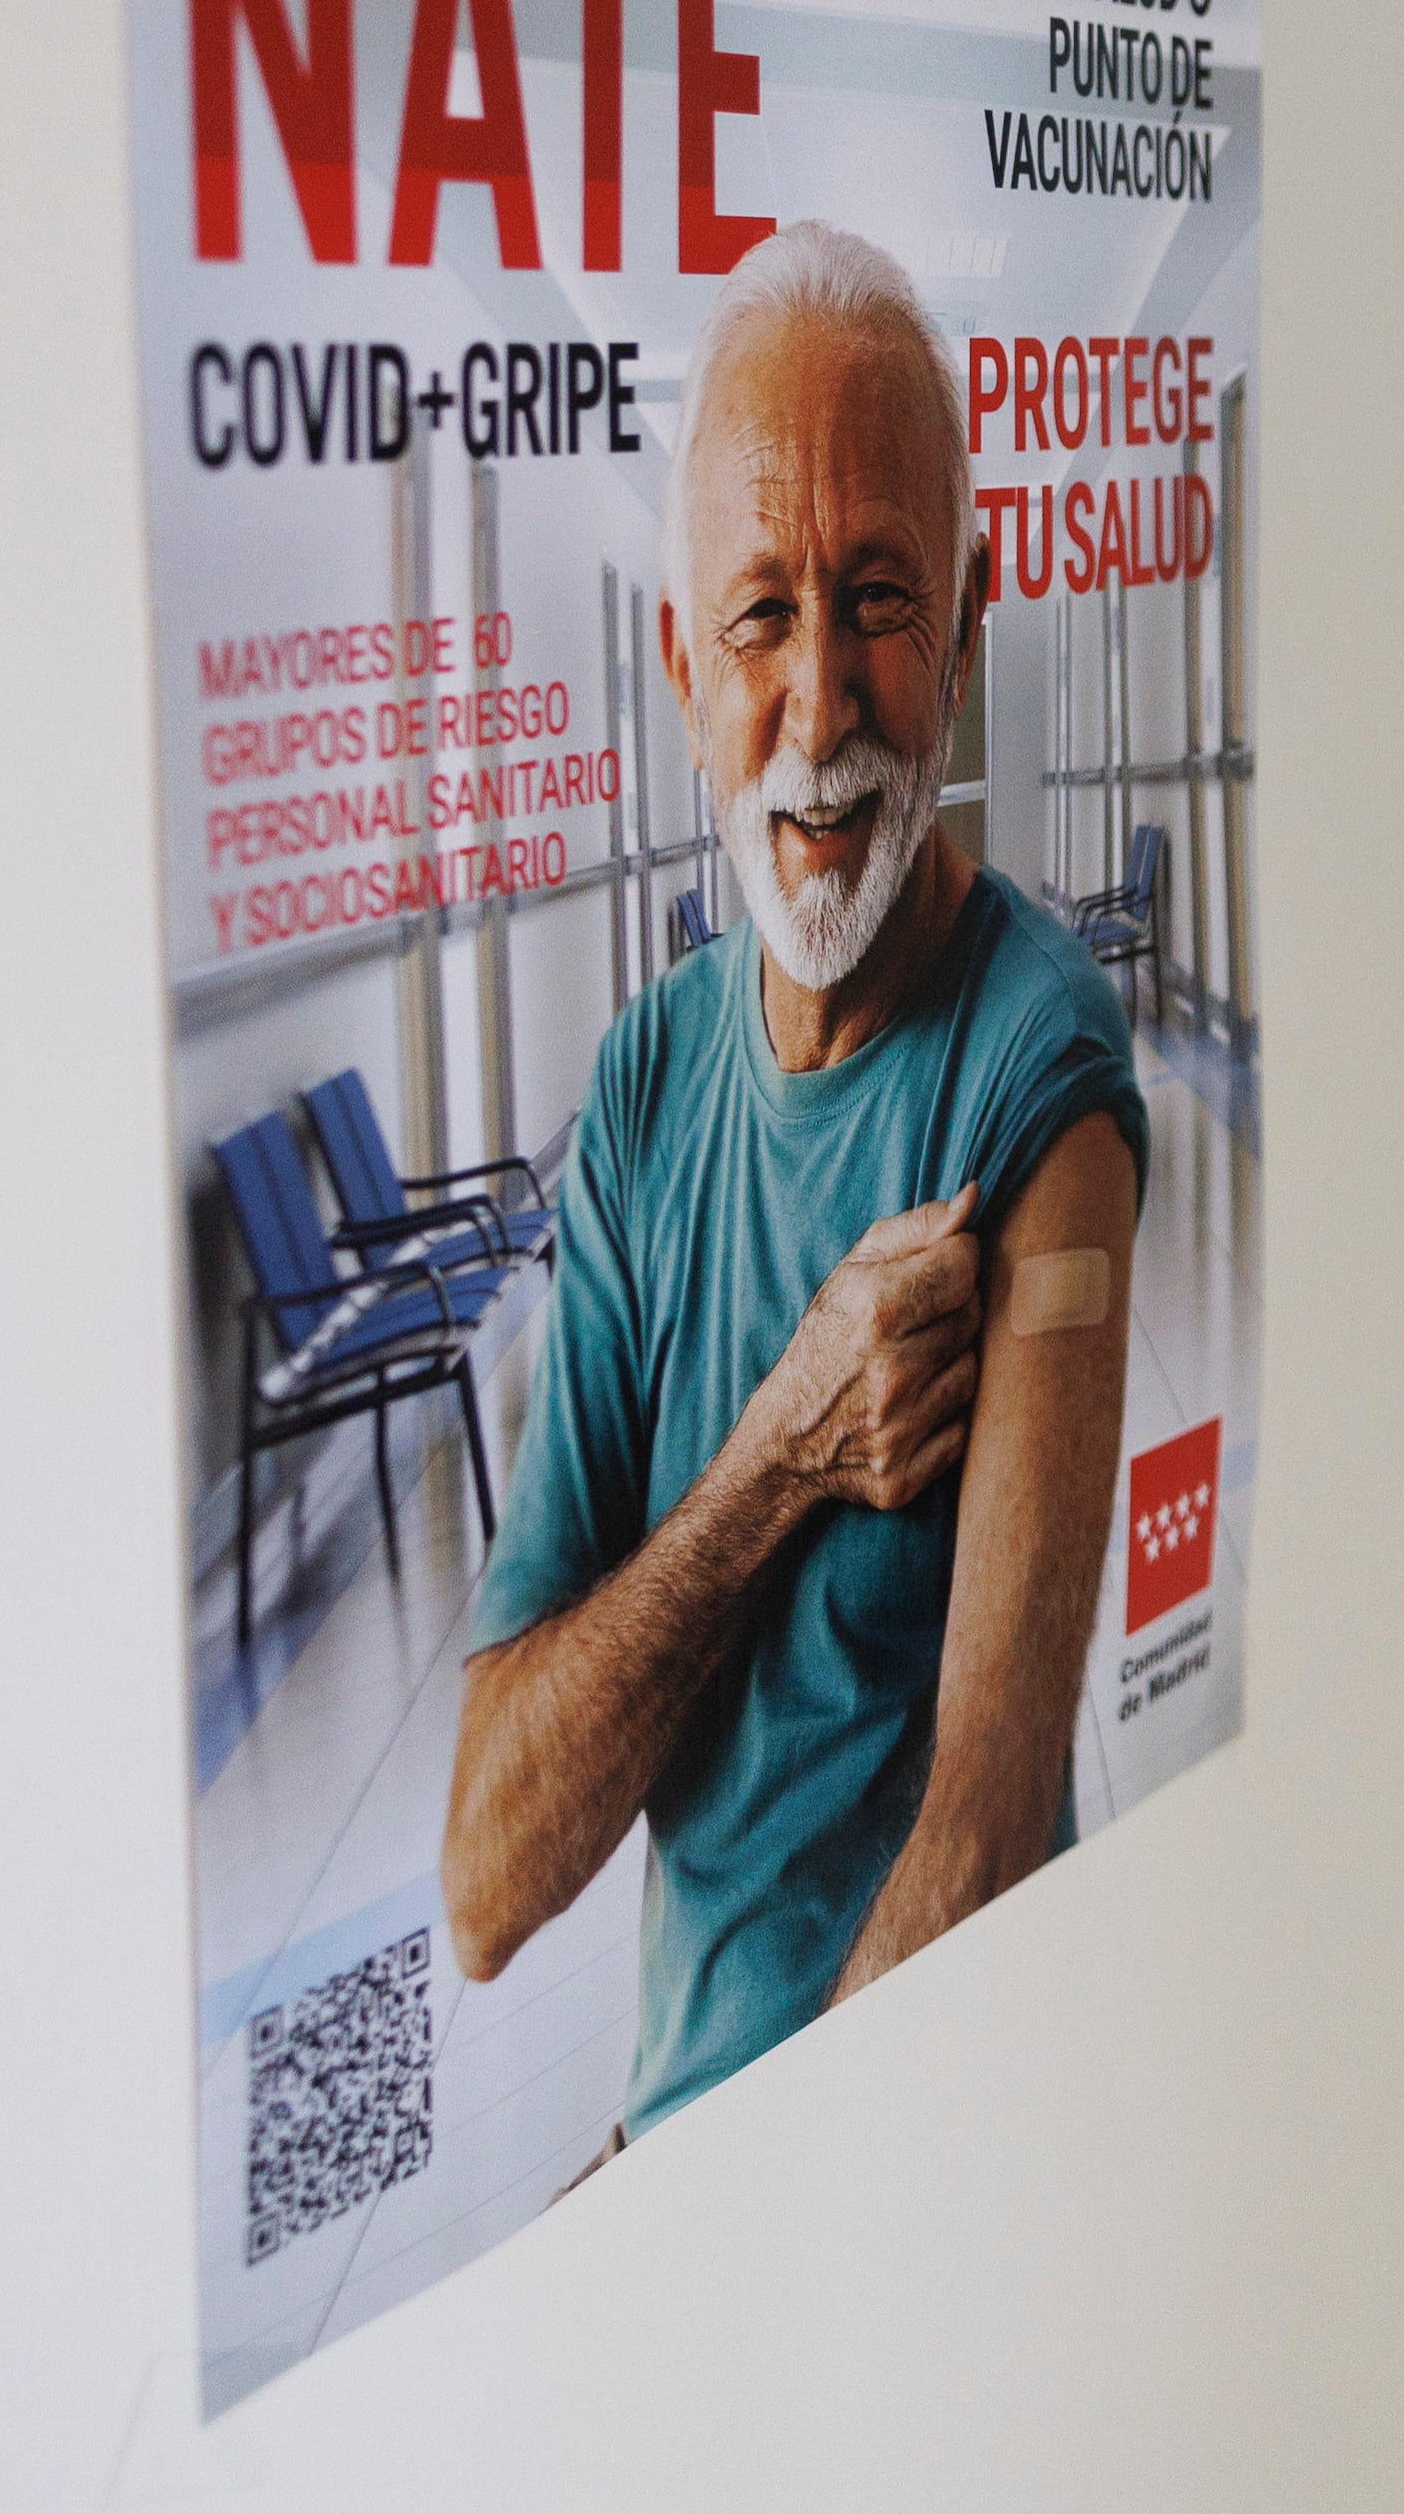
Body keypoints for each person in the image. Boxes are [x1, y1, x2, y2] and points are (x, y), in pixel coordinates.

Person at [440, 225, 1148, 2146]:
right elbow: (492, 1875)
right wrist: (778, 1454)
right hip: (696, 2148)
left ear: (972, 628)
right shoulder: (653, 1076)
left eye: (882, 596)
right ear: (684, 665)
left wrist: (755, 2225)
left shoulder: (1038, 1069)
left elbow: (986, 1843)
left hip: (896, 2154)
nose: (824, 702)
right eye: (762, 614)